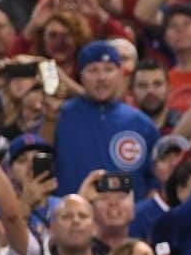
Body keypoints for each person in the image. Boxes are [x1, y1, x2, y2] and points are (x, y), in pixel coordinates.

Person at [53, 41, 160, 196]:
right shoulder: (59, 116)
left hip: (129, 217)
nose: (101, 77)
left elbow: (154, 182)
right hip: (74, 216)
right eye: (93, 70)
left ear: (120, 74)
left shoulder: (141, 123)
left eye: (108, 69)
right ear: (80, 75)